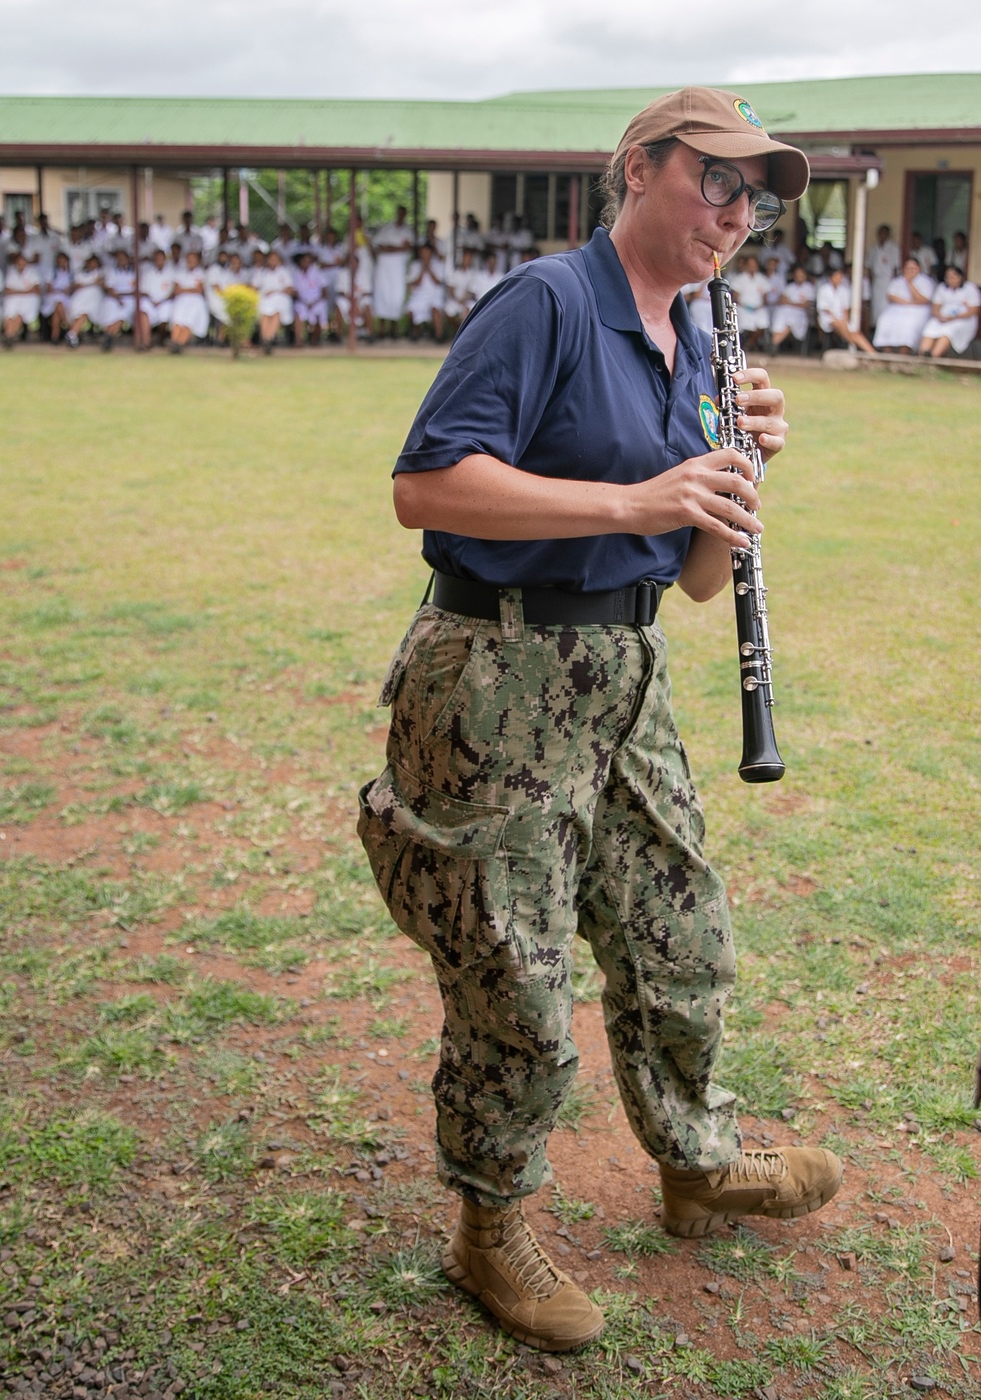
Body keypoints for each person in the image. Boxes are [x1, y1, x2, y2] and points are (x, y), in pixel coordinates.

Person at [358, 85, 843, 1355]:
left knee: (678, 924)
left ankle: (695, 1159)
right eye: (716, 182)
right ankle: (490, 1223)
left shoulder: (694, 338)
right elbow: (426, 485)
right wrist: (637, 497)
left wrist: (733, 478)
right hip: (494, 673)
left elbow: (685, 576)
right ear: (639, 169)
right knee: (513, 970)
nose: (738, 214)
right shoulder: (548, 302)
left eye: (757, 196)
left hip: (621, 674)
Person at [872, 256, 934, 352]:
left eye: (913, 268)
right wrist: (906, 302)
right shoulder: (898, 280)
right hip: (897, 308)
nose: (910, 271)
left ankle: (904, 352)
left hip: (918, 310)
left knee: (909, 323)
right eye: (908, 268)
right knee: (885, 320)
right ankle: (887, 352)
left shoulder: (926, 281)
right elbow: (891, 296)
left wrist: (910, 283)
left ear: (919, 268)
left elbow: (923, 299)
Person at [918, 264, 980, 358]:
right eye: (948, 277)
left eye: (953, 277)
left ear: (960, 277)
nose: (950, 279)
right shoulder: (941, 288)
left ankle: (934, 356)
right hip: (943, 318)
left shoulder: (970, 288)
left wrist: (953, 318)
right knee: (930, 328)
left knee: (947, 331)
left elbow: (973, 310)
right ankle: (922, 355)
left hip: (963, 320)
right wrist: (940, 317)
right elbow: (935, 308)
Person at [373, 205, 414, 336]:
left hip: (398, 269)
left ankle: (394, 330)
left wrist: (389, 248)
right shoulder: (387, 228)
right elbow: (379, 246)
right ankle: (381, 329)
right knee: (382, 295)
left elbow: (407, 248)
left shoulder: (408, 231)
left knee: (396, 296)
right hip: (384, 269)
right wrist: (397, 248)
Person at [815, 265, 876, 354]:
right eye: (837, 276)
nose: (839, 278)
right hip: (827, 318)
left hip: (842, 318)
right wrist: (838, 319)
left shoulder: (844, 290)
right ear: (831, 277)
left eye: (840, 276)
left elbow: (845, 309)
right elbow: (824, 308)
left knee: (855, 333)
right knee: (841, 326)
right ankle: (851, 341)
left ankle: (873, 353)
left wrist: (845, 320)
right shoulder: (823, 289)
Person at [168, 249, 209, 352]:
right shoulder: (180, 272)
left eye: (193, 260)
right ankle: (174, 343)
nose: (191, 262)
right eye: (189, 259)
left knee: (188, 322)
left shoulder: (201, 273)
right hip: (181, 301)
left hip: (196, 302)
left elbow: (199, 290)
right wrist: (191, 289)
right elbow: (176, 290)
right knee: (177, 321)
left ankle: (179, 344)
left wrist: (184, 289)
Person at [770, 264, 815, 352]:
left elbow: (805, 305)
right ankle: (774, 343)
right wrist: (795, 303)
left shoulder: (809, 288)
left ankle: (774, 343)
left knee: (790, 322)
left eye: (801, 274)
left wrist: (790, 303)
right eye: (797, 274)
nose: (799, 276)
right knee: (779, 316)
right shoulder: (790, 287)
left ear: (805, 275)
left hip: (801, 313)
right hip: (785, 311)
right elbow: (782, 301)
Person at [65, 253, 105, 347]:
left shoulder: (101, 272)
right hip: (80, 297)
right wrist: (92, 283)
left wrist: (96, 282)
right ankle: (73, 336)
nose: (93, 265)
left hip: (93, 298)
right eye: (91, 263)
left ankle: (72, 336)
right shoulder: (80, 273)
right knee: (78, 315)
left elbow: (104, 284)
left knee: (85, 313)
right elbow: (77, 285)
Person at [866, 223, 901, 330]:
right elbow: (869, 268)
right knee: (876, 306)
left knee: (887, 305)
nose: (882, 235)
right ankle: (877, 328)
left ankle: (887, 328)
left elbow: (896, 267)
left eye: (885, 233)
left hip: (888, 281)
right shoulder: (873, 249)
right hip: (877, 281)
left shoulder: (894, 249)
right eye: (881, 233)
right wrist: (870, 282)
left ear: (888, 235)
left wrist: (895, 285)